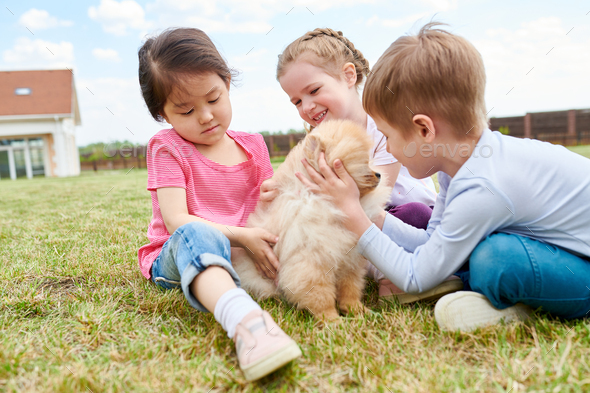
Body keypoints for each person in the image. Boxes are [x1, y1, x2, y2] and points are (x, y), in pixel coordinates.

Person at [296, 22, 590, 332]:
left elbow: (414, 276)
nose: (390, 149)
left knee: (494, 260)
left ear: (424, 130)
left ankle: (519, 308)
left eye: (388, 136)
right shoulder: (463, 167)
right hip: (560, 251)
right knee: (473, 253)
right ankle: (488, 290)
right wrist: (372, 216)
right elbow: (429, 241)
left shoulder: (482, 186)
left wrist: (354, 217)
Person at [136, 27, 301, 381]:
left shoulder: (254, 145)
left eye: (213, 99)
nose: (206, 116)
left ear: (226, 82)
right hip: (182, 254)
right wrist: (243, 237)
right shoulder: (167, 148)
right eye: (186, 110)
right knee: (197, 232)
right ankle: (248, 324)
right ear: (163, 114)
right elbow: (177, 220)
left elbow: (269, 206)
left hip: (245, 251)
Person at [261, 27, 462, 304]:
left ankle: (394, 278)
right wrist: (276, 187)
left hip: (401, 214)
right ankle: (373, 276)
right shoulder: (318, 139)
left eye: (314, 91)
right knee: (321, 233)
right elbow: (295, 171)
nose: (306, 106)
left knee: (409, 213)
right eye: (297, 101)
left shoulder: (382, 125)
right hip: (354, 217)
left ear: (348, 75)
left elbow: (379, 189)